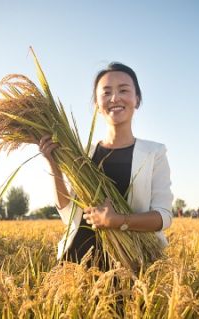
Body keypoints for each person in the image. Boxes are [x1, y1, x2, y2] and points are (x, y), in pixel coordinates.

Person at [39, 62, 173, 267]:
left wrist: (119, 220)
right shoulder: (81, 153)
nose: (115, 98)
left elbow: (163, 217)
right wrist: (53, 163)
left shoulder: (154, 153)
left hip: (132, 264)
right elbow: (68, 214)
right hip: (78, 263)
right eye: (106, 92)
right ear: (97, 105)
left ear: (137, 99)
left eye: (124, 90)